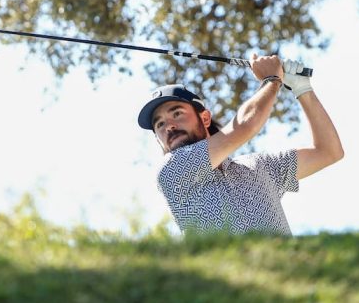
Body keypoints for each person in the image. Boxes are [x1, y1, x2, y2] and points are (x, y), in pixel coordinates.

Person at [136, 54, 343, 235]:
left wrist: (302, 88)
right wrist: (272, 79)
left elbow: (329, 151)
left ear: (205, 118)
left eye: (177, 113)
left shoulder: (260, 166)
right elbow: (245, 125)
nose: (169, 126)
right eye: (160, 124)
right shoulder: (171, 171)